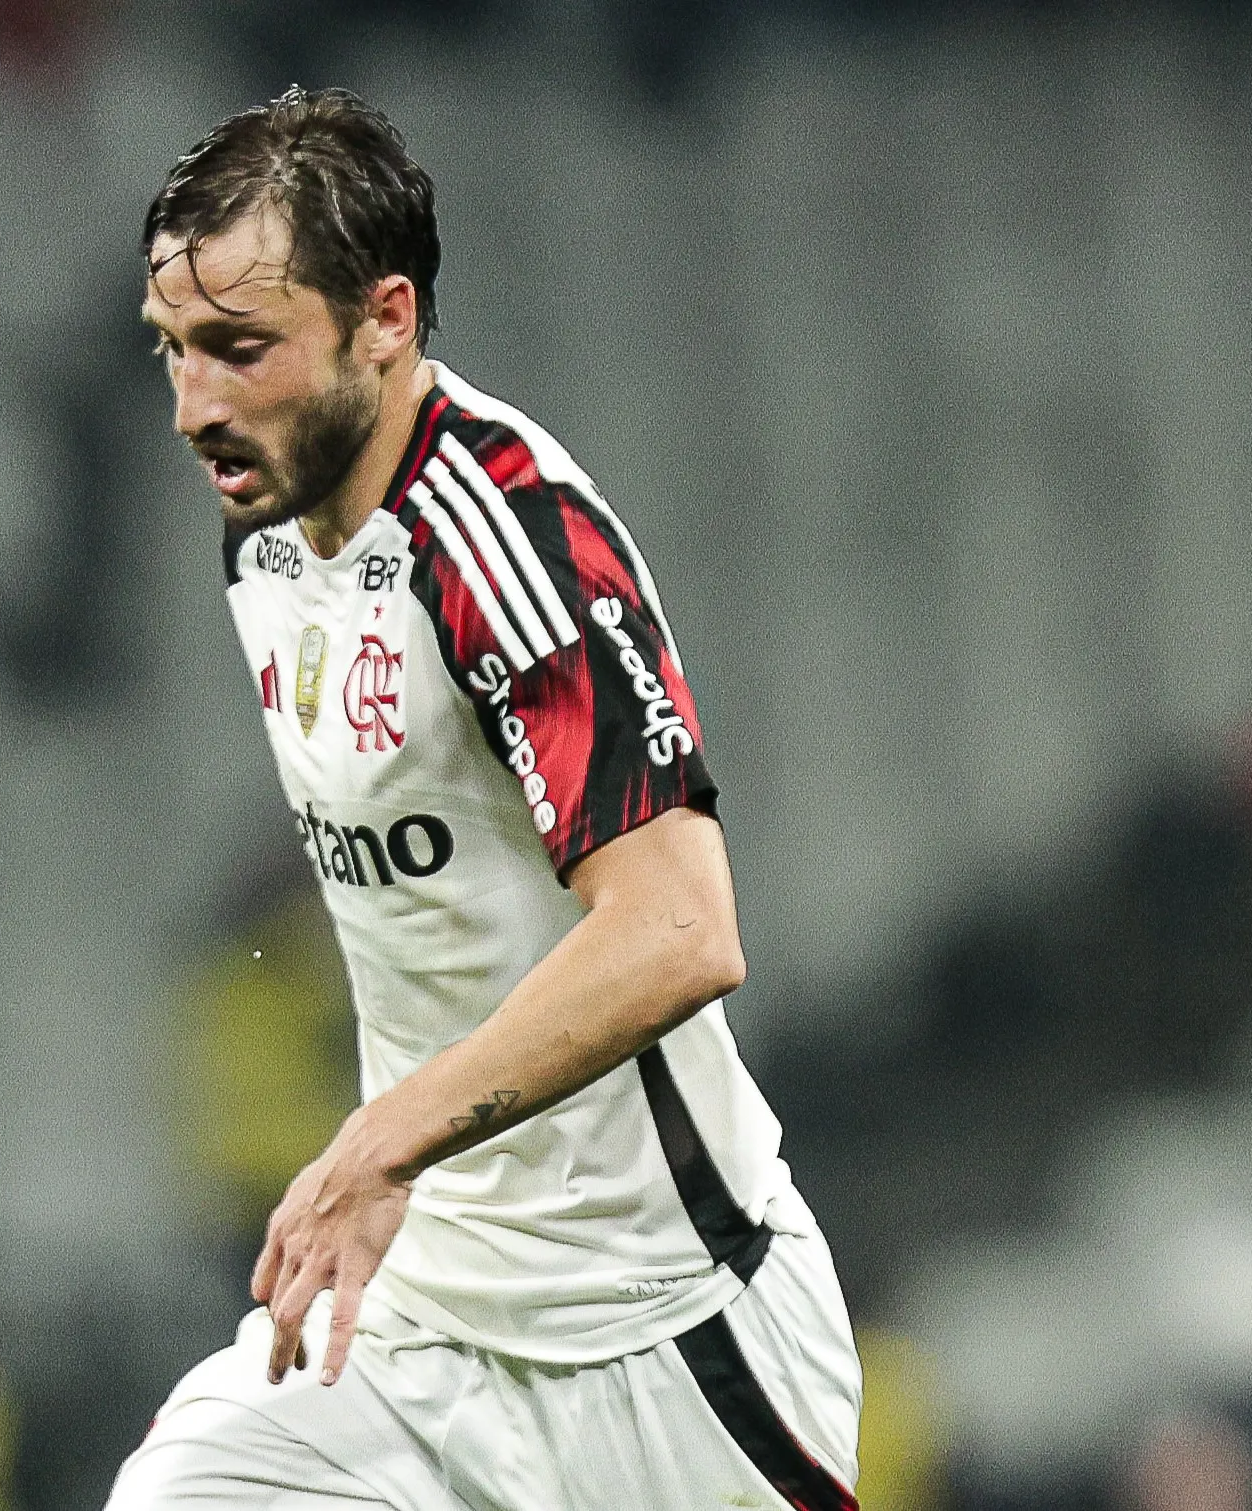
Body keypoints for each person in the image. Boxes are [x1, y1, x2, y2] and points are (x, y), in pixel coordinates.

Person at [111, 87, 863, 1511]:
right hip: (413, 1326)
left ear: (385, 319)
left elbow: (680, 930)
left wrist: (375, 1143)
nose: (195, 405)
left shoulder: (510, 547)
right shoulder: (269, 536)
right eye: (173, 353)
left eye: (240, 349)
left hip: (661, 1341)